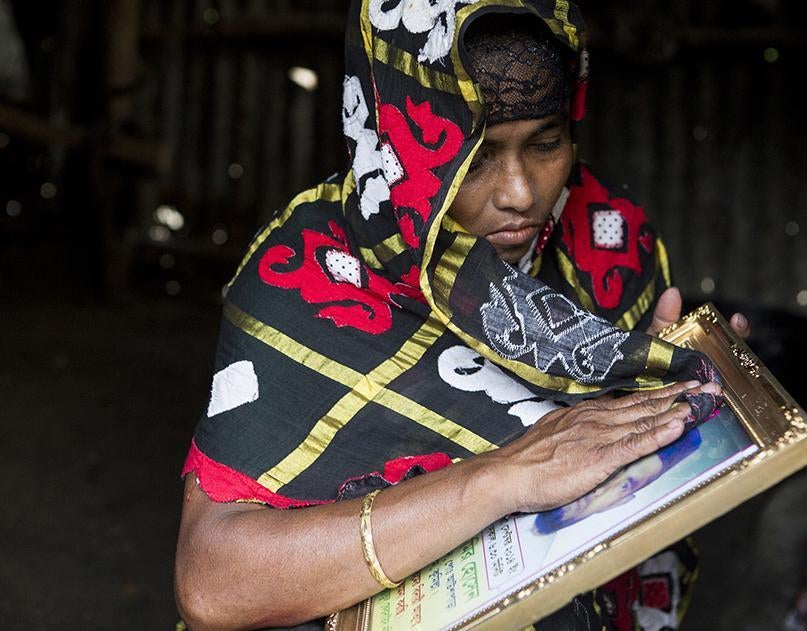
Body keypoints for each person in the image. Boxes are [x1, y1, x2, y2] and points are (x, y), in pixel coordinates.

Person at [174, 2, 750, 630]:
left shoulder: (605, 242)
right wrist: (501, 478)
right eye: (475, 158)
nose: (520, 194)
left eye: (547, 142)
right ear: (398, 139)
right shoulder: (310, 272)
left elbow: (631, 500)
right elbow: (213, 581)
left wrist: (679, 419)